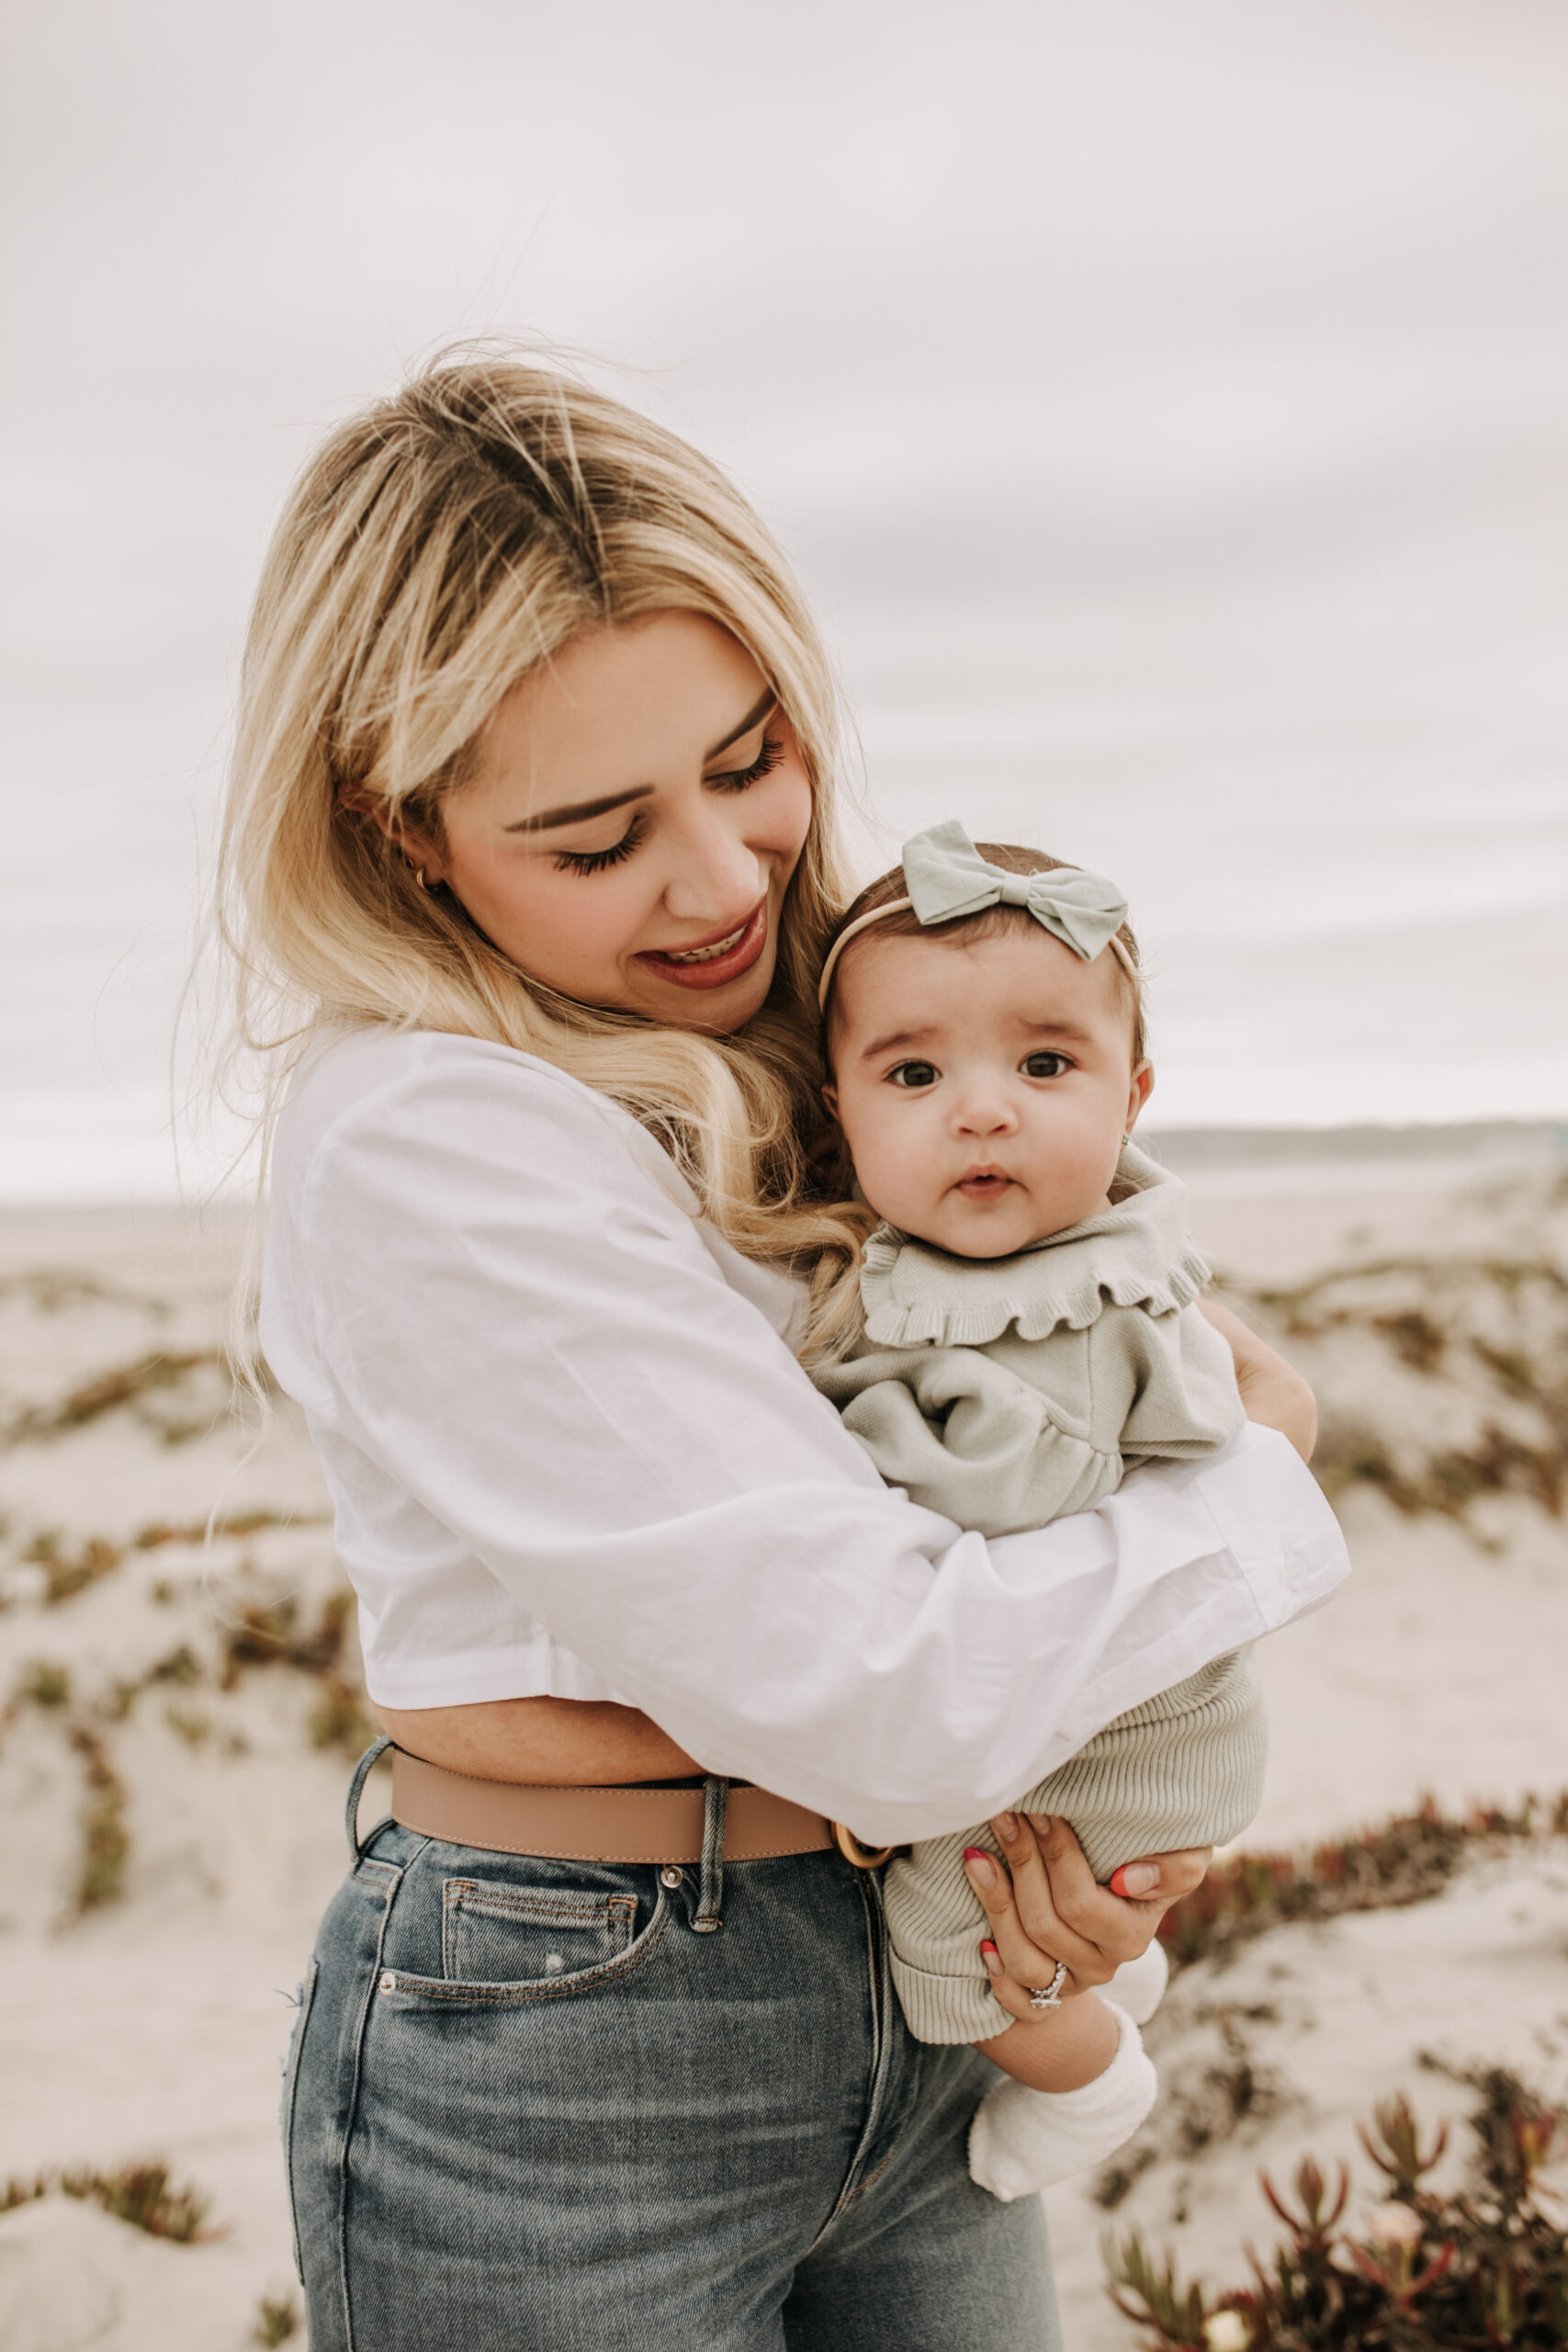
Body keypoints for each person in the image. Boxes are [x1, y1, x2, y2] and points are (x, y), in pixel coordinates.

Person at [221, 351, 1347, 2351]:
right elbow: (887, 1689)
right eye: (596, 836)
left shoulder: (817, 1038)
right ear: (406, 835)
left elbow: (1036, 1456)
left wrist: (1056, 1851)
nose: (729, 876)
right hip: (578, 2041)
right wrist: (1253, 1491)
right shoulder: (425, 1134)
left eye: (750, 757)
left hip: (914, 1969)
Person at [804, 823, 1283, 2203]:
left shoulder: (1078, 1303)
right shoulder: (964, 1274)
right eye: (914, 1072)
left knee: (948, 1947)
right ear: (841, 1108)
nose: (982, 1108)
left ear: (1132, 1096)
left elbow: (1017, 1491)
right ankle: (1120, 1983)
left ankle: (1095, 2090)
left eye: (1045, 1064)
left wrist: (845, 1427)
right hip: (1085, 1725)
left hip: (1120, 1745)